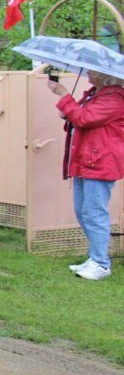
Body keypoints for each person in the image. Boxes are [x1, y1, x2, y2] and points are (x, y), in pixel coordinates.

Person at [51, 70, 124, 281]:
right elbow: (77, 117)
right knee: (83, 211)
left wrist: (63, 94)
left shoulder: (114, 98)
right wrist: (67, 112)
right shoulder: (95, 93)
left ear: (106, 76)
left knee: (94, 213)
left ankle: (101, 263)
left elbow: (84, 119)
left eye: (94, 71)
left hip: (100, 162)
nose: (89, 73)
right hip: (88, 159)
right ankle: (94, 258)